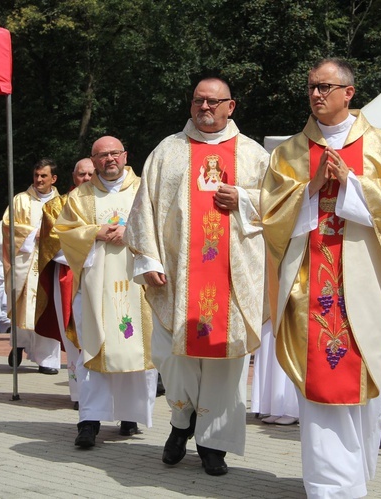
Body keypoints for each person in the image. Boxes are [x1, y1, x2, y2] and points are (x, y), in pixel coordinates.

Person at [260, 58, 381, 497]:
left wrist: (353, 184)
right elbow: (269, 216)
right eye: (311, 87)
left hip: (364, 280)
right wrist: (310, 188)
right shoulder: (289, 152)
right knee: (322, 385)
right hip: (310, 283)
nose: (316, 95)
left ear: (349, 92)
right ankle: (329, 486)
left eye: (326, 87)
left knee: (361, 382)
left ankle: (355, 476)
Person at [125, 77, 269, 476]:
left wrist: (243, 198)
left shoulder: (254, 156)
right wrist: (148, 260)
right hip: (175, 277)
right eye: (197, 101)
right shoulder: (168, 151)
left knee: (224, 363)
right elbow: (144, 209)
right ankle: (180, 421)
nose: (204, 107)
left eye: (213, 101)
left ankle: (213, 444)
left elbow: (280, 206)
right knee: (171, 357)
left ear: (231, 106)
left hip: (232, 278)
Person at [55, 137, 156, 448]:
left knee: (134, 347)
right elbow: (64, 232)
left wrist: (132, 230)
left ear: (125, 155)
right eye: (102, 155)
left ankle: (130, 414)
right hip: (95, 286)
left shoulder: (145, 187)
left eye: (115, 153)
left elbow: (163, 226)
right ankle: (89, 420)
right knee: (94, 349)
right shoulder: (80, 196)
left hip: (138, 284)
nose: (110, 159)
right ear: (93, 160)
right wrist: (95, 232)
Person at [35, 158, 95, 409]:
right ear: (73, 176)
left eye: (91, 174)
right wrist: (88, 250)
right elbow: (51, 244)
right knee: (75, 337)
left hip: (104, 276)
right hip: (68, 276)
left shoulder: (107, 202)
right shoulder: (56, 206)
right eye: (82, 174)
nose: (87, 179)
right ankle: (80, 394)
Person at [2, 159, 62, 375]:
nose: (38, 180)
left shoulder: (63, 203)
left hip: (51, 262)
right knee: (23, 307)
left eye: (43, 176)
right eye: (36, 175)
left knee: (48, 308)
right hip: (25, 261)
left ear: (53, 179)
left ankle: (47, 360)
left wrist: (51, 237)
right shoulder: (20, 200)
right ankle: (18, 345)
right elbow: (8, 225)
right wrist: (32, 233)